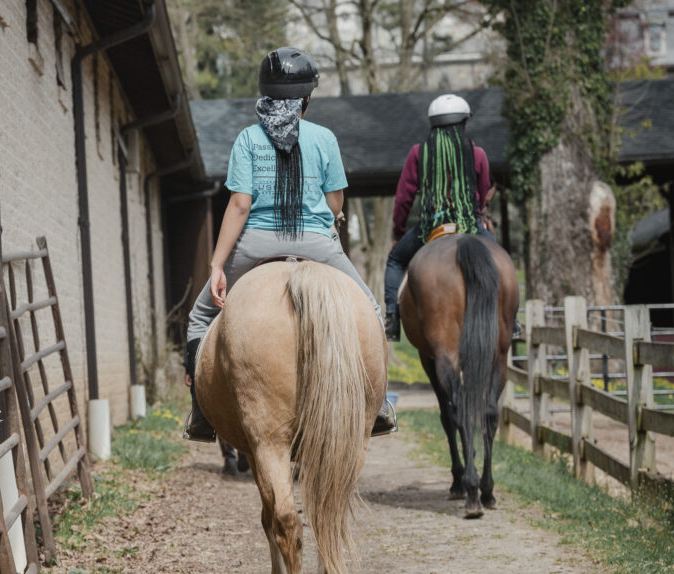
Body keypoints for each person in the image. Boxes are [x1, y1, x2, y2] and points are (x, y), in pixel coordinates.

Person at [182, 47, 397, 441]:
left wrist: (217, 264)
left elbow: (240, 204)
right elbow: (335, 201)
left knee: (199, 319)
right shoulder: (324, 137)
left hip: (255, 244)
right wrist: (332, 215)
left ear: (265, 93)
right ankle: (379, 405)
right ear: (306, 98)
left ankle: (200, 414)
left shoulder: (248, 138)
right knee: (369, 308)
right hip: (317, 243)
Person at [384, 94, 496, 341]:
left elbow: (404, 197)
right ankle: (512, 318)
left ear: (433, 125)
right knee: (500, 259)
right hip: (468, 223)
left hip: (431, 226)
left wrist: (399, 230)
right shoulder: (477, 154)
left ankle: (392, 319)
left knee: (394, 261)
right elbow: (482, 191)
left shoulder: (418, 153)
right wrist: (473, 217)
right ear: (464, 124)